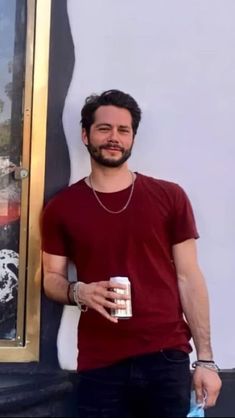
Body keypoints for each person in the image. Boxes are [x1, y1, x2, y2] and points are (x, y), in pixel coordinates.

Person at [42, 89, 222, 417]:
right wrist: (76, 291)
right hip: (100, 362)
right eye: (104, 128)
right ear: (85, 134)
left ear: (132, 138)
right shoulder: (62, 207)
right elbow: (51, 279)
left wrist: (206, 361)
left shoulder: (169, 196)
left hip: (166, 356)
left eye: (123, 130)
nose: (114, 138)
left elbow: (189, 277)